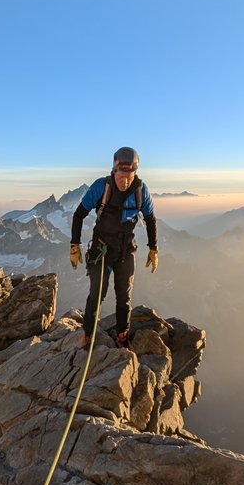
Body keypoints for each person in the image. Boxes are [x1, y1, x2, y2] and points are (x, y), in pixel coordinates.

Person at [70, 146, 158, 349]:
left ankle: (122, 336)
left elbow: (151, 219)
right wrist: (75, 245)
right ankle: (88, 334)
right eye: (121, 174)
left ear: (135, 172)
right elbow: (79, 214)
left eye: (129, 174)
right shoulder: (101, 187)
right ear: (114, 170)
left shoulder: (140, 190)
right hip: (102, 249)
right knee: (97, 293)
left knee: (124, 296)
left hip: (126, 250)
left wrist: (153, 248)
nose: (125, 180)